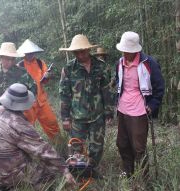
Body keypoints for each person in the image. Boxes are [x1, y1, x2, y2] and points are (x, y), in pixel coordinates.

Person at [0, 83, 76, 191]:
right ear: (23, 104)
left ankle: (2, 186)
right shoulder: (20, 124)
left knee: (25, 160)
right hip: (5, 173)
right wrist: (65, 170)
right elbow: (43, 150)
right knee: (50, 174)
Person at [59, 34, 113, 175]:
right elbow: (64, 95)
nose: (80, 54)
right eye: (76, 52)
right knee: (76, 147)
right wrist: (65, 118)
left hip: (97, 116)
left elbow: (107, 90)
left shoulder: (102, 67)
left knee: (97, 147)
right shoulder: (68, 69)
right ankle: (79, 173)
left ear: (88, 50)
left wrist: (109, 111)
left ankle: (92, 171)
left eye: (82, 51)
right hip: (77, 117)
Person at [115, 31, 164, 178]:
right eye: (123, 50)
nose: (124, 53)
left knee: (138, 147)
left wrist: (153, 104)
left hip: (139, 110)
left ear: (135, 50)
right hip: (122, 108)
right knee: (122, 143)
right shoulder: (120, 63)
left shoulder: (149, 63)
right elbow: (118, 81)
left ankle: (144, 176)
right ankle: (127, 171)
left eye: (127, 51)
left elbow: (160, 86)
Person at [17, 39, 60, 140]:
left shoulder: (40, 63)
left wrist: (47, 75)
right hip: (27, 103)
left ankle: (59, 145)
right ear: (24, 53)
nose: (30, 54)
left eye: (32, 52)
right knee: (28, 129)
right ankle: (30, 150)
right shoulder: (19, 66)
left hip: (41, 101)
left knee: (52, 122)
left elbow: (45, 81)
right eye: (28, 53)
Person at [0, 42, 35, 109]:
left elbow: (33, 88)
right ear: (1, 57)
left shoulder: (22, 72)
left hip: (17, 110)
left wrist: (25, 102)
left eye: (13, 59)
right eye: (7, 59)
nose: (10, 62)